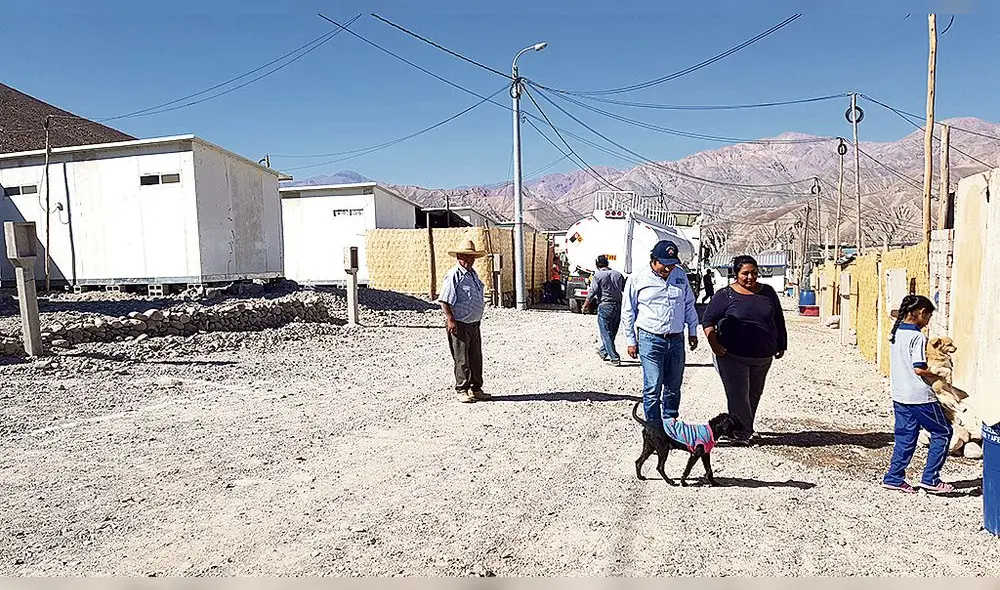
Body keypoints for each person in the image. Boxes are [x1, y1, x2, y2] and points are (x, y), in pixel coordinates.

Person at [701, 255, 787, 446]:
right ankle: (742, 433)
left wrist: (782, 343)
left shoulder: (768, 292)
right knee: (738, 394)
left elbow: (778, 319)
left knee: (754, 394)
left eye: (754, 273)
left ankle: (742, 428)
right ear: (736, 274)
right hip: (731, 355)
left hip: (763, 356)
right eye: (745, 273)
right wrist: (714, 344)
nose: (750, 277)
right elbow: (708, 320)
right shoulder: (725, 295)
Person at [881, 295, 954, 494]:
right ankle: (931, 478)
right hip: (920, 396)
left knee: (905, 437)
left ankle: (894, 478)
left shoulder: (895, 333)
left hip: (900, 394)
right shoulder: (917, 336)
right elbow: (919, 369)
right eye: (929, 315)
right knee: (943, 431)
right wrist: (939, 372)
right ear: (921, 313)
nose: (929, 319)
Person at [622, 240, 700, 426]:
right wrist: (631, 340)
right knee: (653, 386)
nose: (668, 269)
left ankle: (670, 424)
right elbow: (628, 311)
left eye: (671, 264)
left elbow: (689, 304)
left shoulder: (680, 275)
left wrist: (693, 331)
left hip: (676, 339)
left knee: (674, 385)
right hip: (650, 339)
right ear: (653, 260)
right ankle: (654, 427)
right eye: (664, 265)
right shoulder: (637, 278)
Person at [438, 239, 488, 404]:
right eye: (466, 257)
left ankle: (476, 388)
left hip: (474, 324)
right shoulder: (454, 275)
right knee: (462, 359)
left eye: (472, 257)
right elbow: (445, 300)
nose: (469, 260)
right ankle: (462, 389)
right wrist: (450, 319)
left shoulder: (472, 274)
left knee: (475, 357)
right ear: (459, 256)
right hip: (460, 323)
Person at [582, 255, 626, 366]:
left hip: (605, 306)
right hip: (618, 306)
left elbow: (593, 291)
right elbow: (625, 289)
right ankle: (603, 351)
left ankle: (614, 358)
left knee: (605, 332)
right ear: (607, 263)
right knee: (613, 331)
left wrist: (585, 305)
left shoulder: (597, 276)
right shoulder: (618, 274)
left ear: (597, 265)